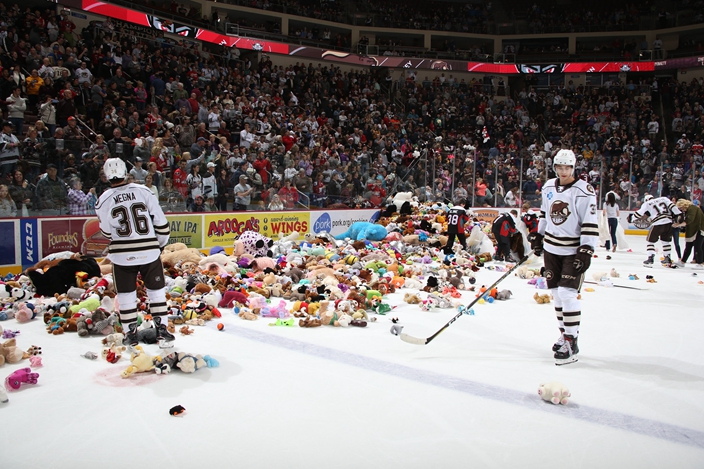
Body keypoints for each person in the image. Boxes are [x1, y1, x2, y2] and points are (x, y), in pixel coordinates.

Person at [529, 149, 599, 365]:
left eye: (567, 167)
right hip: (552, 248)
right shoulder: (549, 186)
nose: (563, 171)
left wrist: (586, 249)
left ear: (573, 167)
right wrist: (538, 235)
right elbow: (545, 212)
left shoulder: (584, 190)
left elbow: (590, 221)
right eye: (559, 167)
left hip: (572, 250)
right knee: (557, 295)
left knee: (568, 294)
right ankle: (566, 334)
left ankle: (571, 338)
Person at [95, 158, 174, 348]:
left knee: (126, 297)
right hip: (149, 252)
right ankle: (162, 332)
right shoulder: (144, 191)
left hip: (122, 255)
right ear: (125, 172)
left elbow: (106, 232)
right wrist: (159, 246)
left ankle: (130, 335)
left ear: (106, 175)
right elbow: (162, 225)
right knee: (156, 294)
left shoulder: (103, 199)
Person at [628, 193, 683, 267]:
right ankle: (667, 258)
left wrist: (631, 219)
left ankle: (650, 257)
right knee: (665, 241)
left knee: (650, 241)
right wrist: (679, 215)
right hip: (668, 222)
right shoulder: (664, 198)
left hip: (658, 223)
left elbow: (639, 213)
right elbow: (673, 207)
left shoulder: (647, 203)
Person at [674, 199, 704, 269]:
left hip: (698, 229)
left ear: (684, 205)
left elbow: (690, 219)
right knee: (688, 247)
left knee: (698, 247)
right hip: (692, 230)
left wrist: (679, 225)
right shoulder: (689, 210)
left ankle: (700, 263)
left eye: (681, 208)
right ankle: (682, 262)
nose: (681, 210)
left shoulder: (692, 208)